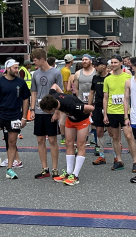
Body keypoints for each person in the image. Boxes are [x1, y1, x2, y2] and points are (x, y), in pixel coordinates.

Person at [0, 59, 30, 179]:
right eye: (15, 68)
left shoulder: (21, 82)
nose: (17, 70)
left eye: (17, 68)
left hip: (15, 115)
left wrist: (24, 117)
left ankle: (9, 169)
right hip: (0, 114)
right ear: (8, 68)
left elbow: (26, 99)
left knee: (12, 142)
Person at [41, 92, 95, 185]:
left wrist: (87, 113)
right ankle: (69, 172)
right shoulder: (52, 97)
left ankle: (75, 175)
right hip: (70, 119)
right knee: (68, 143)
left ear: (53, 108)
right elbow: (55, 86)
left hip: (82, 120)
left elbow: (91, 108)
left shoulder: (71, 105)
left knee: (80, 145)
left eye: (46, 111)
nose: (45, 112)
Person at [30, 48, 63, 179]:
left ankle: (55, 168)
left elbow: (60, 94)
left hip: (51, 111)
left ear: (42, 59)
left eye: (35, 60)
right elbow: (34, 92)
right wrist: (32, 110)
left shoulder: (56, 73)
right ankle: (45, 168)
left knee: (53, 140)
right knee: (40, 140)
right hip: (39, 111)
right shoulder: (35, 74)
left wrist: (57, 112)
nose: (34, 62)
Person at [103, 55, 136, 172]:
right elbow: (105, 97)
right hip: (111, 111)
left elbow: (134, 94)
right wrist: (105, 114)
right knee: (115, 137)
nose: (113, 64)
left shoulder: (128, 77)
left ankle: (135, 161)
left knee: (129, 136)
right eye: (112, 62)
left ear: (121, 63)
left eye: (115, 62)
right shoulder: (107, 79)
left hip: (124, 112)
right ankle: (119, 160)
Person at [89, 57, 109, 165]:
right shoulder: (95, 78)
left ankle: (117, 157)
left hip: (110, 107)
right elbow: (92, 92)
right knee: (99, 131)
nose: (95, 67)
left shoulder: (110, 77)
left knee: (112, 133)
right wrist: (88, 107)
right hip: (97, 106)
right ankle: (101, 156)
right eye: (94, 65)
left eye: (97, 65)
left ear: (104, 66)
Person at [59, 53, 74, 143]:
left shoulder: (63, 69)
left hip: (63, 95)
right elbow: (65, 84)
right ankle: (63, 137)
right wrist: (71, 89)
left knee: (64, 116)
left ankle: (64, 136)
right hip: (66, 95)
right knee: (63, 117)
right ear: (71, 61)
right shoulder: (66, 71)